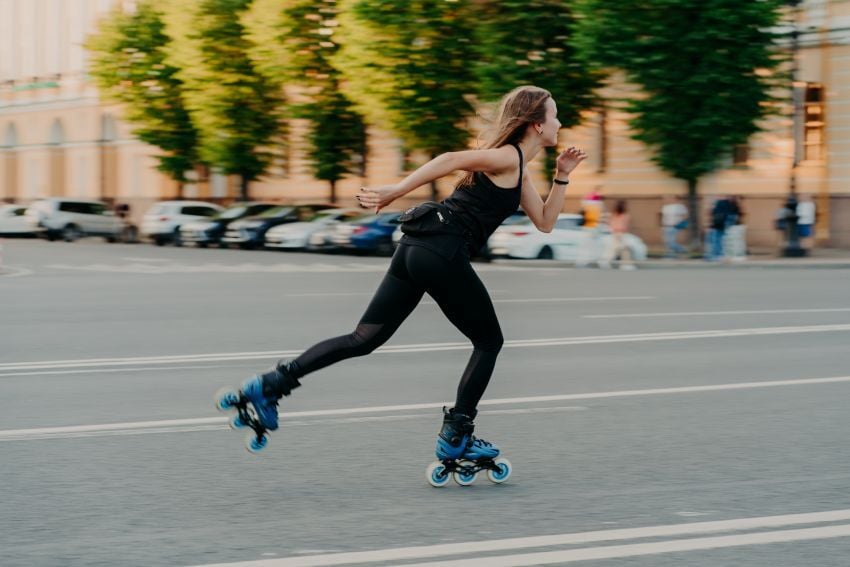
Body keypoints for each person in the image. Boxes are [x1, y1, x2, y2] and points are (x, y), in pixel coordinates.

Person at [228, 86, 588, 461]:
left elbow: (546, 222)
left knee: (363, 337)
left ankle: (271, 385)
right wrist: (395, 191)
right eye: (554, 115)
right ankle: (458, 433)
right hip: (442, 249)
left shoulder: (519, 171)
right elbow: (449, 159)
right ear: (535, 124)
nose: (559, 122)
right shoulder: (506, 157)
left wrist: (562, 175)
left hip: (415, 248)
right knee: (489, 342)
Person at [600, 200, 635, 270]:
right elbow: (625, 225)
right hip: (620, 234)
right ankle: (625, 264)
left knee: (618, 249)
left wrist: (614, 230)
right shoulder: (624, 215)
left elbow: (610, 224)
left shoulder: (614, 215)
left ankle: (624, 264)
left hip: (616, 233)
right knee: (623, 248)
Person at [574, 188, 604, 267]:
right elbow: (593, 219)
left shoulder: (590, 206)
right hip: (591, 229)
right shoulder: (594, 207)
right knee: (588, 246)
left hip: (590, 228)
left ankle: (584, 262)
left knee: (589, 246)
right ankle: (582, 262)